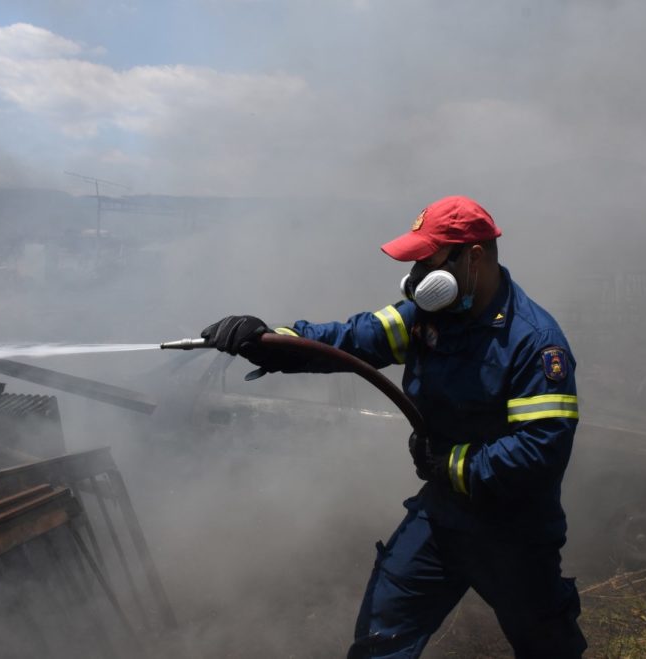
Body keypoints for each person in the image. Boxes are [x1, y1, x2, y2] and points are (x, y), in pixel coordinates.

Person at [201, 195, 587, 658]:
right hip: (442, 517)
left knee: (548, 647)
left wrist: (448, 463)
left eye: (428, 260)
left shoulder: (533, 341)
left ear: (474, 258)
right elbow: (346, 341)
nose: (419, 277)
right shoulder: (427, 319)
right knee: (382, 638)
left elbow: (539, 451)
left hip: (514, 532)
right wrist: (265, 340)